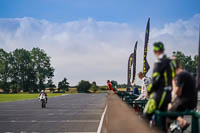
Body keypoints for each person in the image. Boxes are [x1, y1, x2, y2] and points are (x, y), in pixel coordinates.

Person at [143, 42, 176, 127]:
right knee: (163, 121)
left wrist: (148, 91)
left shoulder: (159, 62)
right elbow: (173, 77)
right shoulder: (170, 62)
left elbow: (155, 81)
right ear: (163, 50)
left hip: (160, 95)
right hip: (169, 94)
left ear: (154, 51)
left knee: (145, 116)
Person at [168, 59, 197, 131]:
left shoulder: (181, 75)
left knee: (165, 109)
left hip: (185, 103)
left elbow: (177, 92)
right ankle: (180, 122)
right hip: (192, 102)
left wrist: (173, 82)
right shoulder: (187, 74)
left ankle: (182, 122)